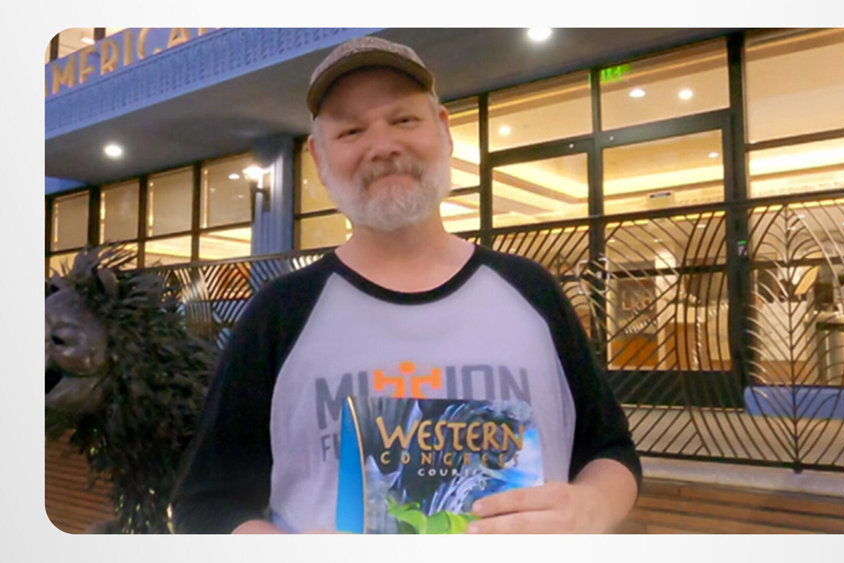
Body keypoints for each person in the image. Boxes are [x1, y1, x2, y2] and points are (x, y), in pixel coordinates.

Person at [169, 36, 641, 534]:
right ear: (319, 159)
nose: (382, 146)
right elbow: (206, 503)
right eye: (351, 130)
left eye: (404, 120)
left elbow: (610, 451)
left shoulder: (531, 292)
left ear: (443, 131)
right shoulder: (281, 313)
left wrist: (592, 505)